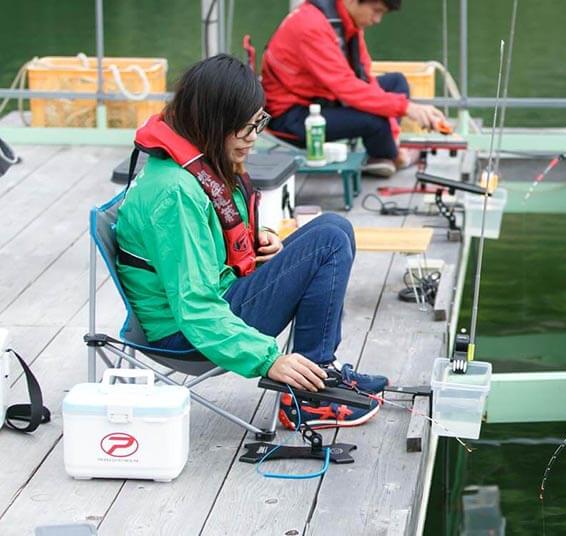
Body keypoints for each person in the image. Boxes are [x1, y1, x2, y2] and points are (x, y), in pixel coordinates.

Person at [116, 54, 388, 430]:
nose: (254, 138)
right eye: (245, 129)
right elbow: (194, 306)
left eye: (258, 123)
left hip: (218, 300)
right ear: (214, 124)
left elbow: (208, 244)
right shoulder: (174, 193)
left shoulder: (195, 161)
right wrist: (268, 360)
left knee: (335, 228)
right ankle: (307, 399)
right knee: (328, 241)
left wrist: (258, 247)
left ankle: (318, 372)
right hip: (186, 333)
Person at [261, 0, 446, 177]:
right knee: (375, 121)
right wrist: (407, 108)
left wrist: (395, 124)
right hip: (291, 118)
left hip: (321, 98)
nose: (377, 19)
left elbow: (365, 79)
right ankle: (394, 157)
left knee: (397, 82)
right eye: (376, 11)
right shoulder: (311, 26)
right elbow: (346, 87)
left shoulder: (347, 21)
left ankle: (386, 151)